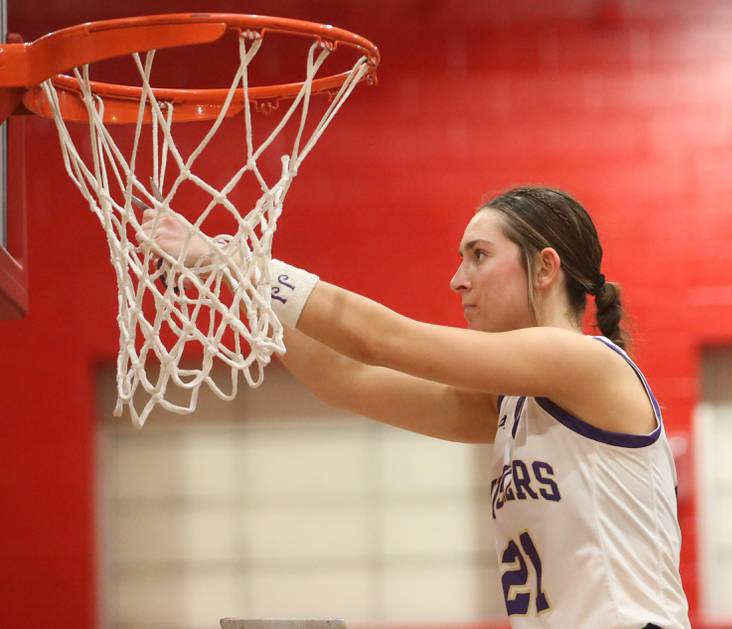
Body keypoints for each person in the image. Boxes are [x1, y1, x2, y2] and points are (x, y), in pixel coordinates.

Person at [141, 185, 690, 628]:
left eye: (480, 256)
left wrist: (237, 258)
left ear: (545, 268)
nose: (458, 280)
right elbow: (346, 378)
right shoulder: (514, 406)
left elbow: (382, 340)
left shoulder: (584, 361)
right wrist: (236, 284)